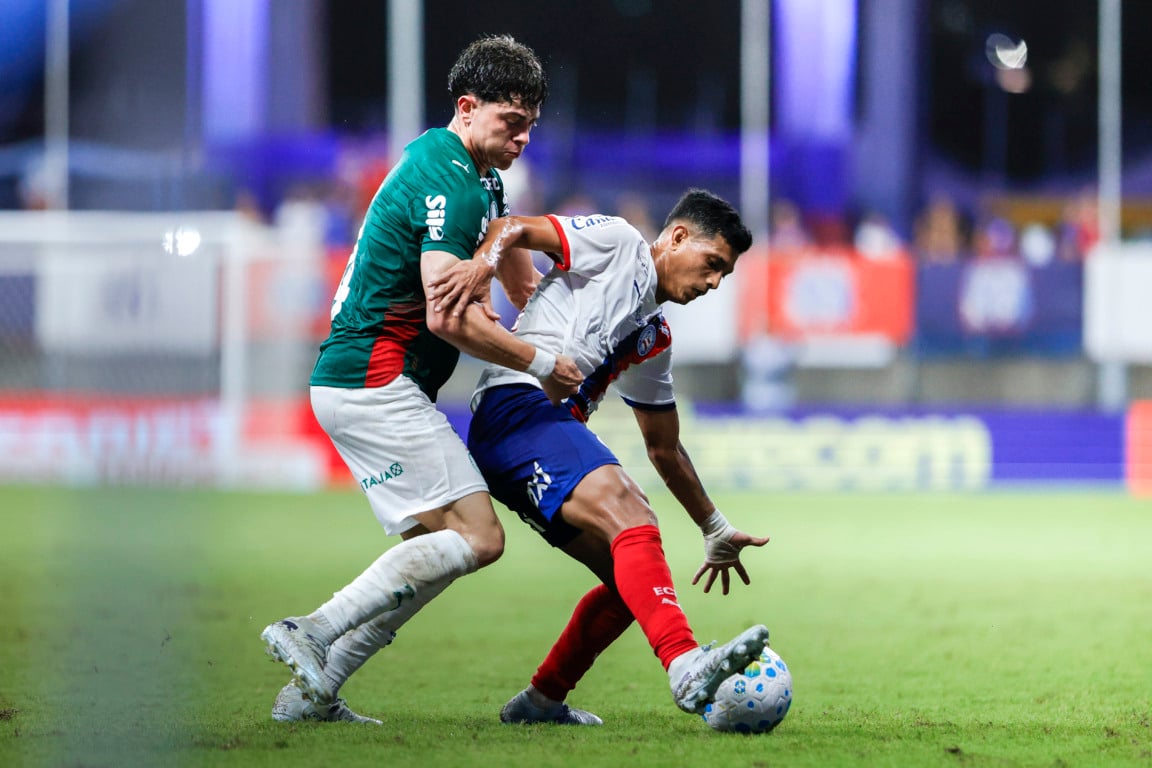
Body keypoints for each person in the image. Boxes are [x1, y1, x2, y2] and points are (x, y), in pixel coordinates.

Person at [259, 34, 584, 724]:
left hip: (362, 381)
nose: (523, 137)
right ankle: (310, 631)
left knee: (435, 553)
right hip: (372, 379)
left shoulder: (480, 180)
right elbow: (446, 314)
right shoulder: (447, 178)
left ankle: (312, 693)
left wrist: (580, 319)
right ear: (466, 108)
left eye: (531, 126)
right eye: (511, 122)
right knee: (481, 537)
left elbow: (518, 294)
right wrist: (539, 365)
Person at [430, 189, 771, 724]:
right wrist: (482, 267)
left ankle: (541, 702)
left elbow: (664, 446)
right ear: (677, 237)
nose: (713, 284)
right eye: (712, 265)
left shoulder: (653, 337)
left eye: (724, 276)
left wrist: (714, 526)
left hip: (539, 434)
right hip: (513, 406)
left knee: (631, 580)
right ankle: (686, 666)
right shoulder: (618, 243)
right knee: (631, 512)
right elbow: (514, 227)